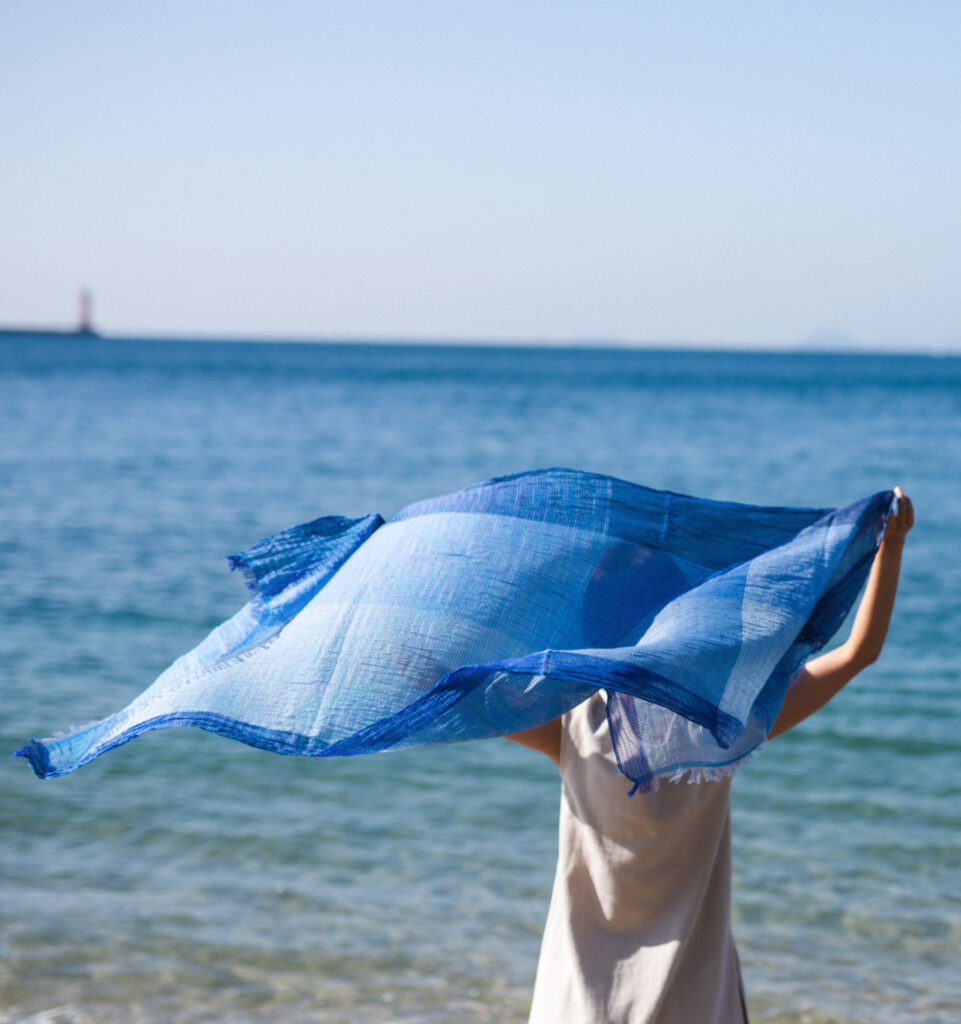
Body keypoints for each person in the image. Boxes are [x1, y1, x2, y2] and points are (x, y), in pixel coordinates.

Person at [508, 488, 914, 1024]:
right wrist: (890, 544)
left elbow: (455, 690)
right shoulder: (726, 723)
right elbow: (859, 653)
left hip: (582, 998)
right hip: (696, 997)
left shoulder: (575, 722)